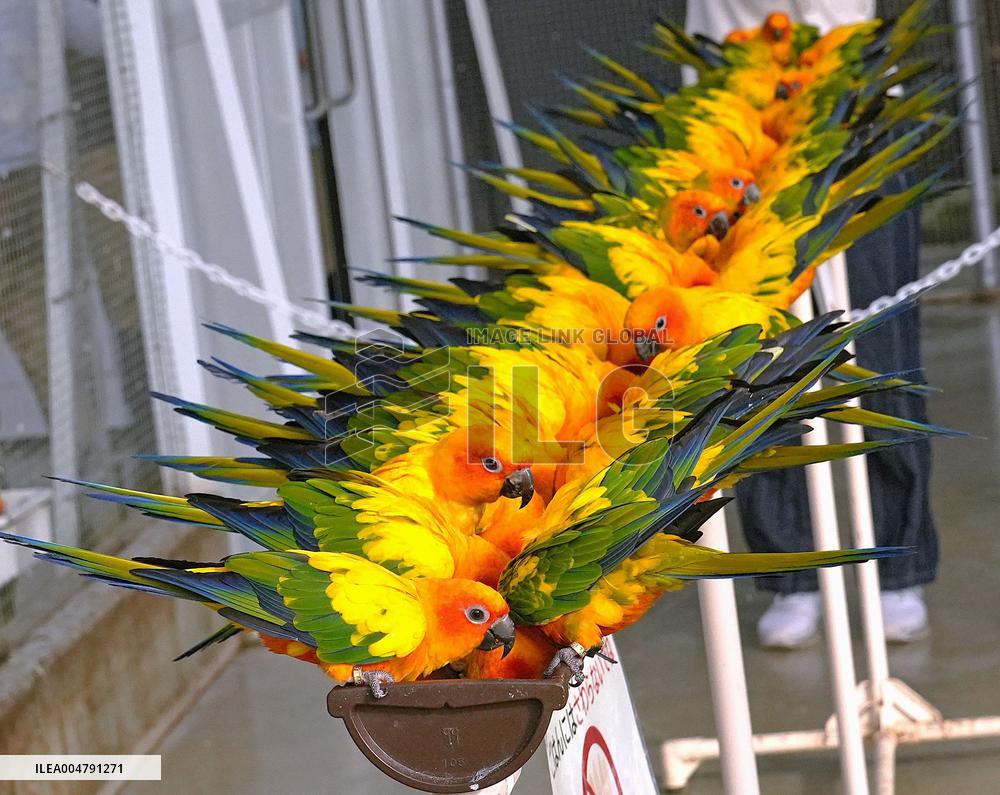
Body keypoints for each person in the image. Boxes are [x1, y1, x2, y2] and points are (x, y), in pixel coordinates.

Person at [686, 0, 937, 648]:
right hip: (738, 125)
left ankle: (896, 565)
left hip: (855, 118)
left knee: (881, 354)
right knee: (762, 365)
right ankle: (792, 571)